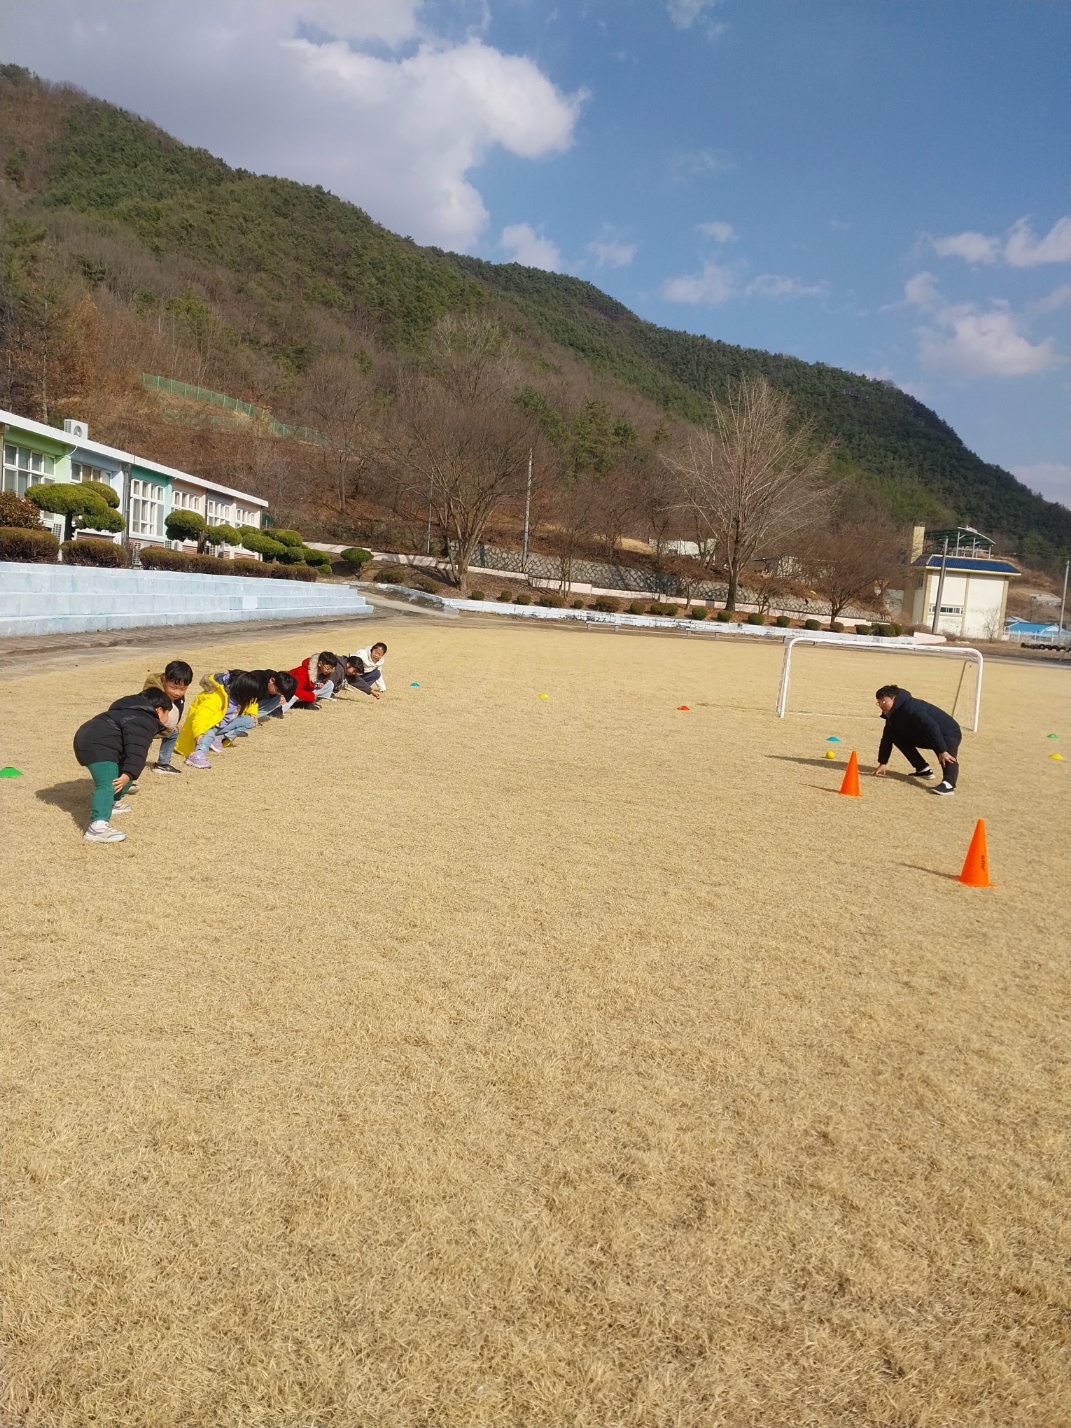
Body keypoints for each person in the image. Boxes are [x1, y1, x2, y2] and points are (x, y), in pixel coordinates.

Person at [74, 689, 174, 841]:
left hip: (89, 739)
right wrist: (128, 775)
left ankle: (112, 803)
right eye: (168, 713)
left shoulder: (128, 711)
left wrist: (128, 775)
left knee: (123, 776)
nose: (167, 719)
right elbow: (137, 751)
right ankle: (97, 827)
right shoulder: (145, 719)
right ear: (159, 710)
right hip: (99, 745)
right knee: (108, 783)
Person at [873, 684, 962, 796]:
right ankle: (923, 769)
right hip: (927, 734)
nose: (881, 705)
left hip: (948, 732)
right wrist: (883, 762)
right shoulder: (893, 715)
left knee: (947, 756)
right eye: (879, 702)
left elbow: (931, 727)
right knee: (895, 736)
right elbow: (886, 738)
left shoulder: (912, 707)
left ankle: (948, 784)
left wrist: (942, 750)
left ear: (894, 698)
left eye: (884, 701)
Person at [143, 659, 193, 778]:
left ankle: (162, 764)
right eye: (174, 687)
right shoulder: (153, 693)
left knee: (173, 733)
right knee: (140, 746)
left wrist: (176, 722)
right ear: (164, 680)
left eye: (182, 689)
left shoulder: (174, 692)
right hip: (145, 726)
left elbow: (175, 709)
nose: (177, 692)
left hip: (162, 724)